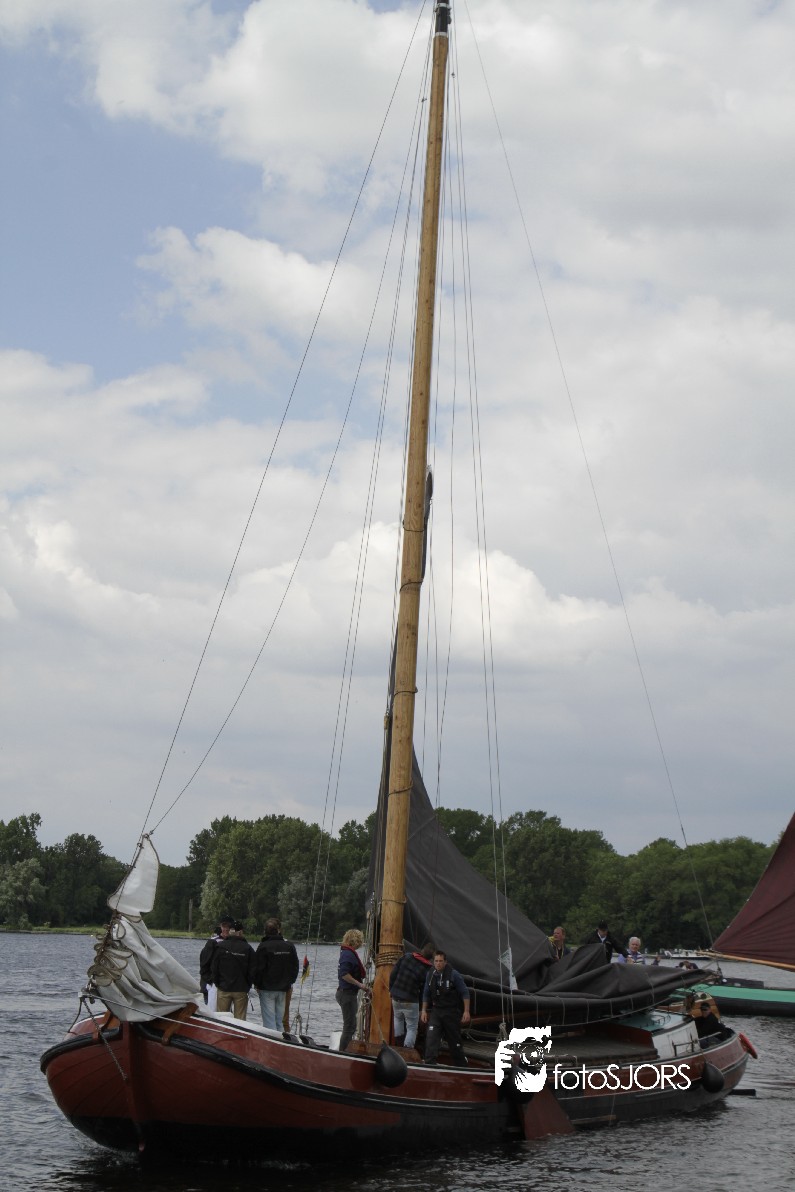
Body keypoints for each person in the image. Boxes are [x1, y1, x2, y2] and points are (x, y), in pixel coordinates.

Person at [420, 950, 470, 1067]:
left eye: (440, 961)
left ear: (445, 962)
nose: (438, 963)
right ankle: (430, 1063)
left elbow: (465, 993)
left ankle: (461, 1065)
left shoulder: (454, 975)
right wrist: (423, 1011)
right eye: (436, 961)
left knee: (454, 1041)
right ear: (433, 962)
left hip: (451, 1012)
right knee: (431, 1037)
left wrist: (466, 1011)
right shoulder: (430, 975)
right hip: (437, 1011)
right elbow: (426, 993)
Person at [253, 917, 299, 1031]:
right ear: (278, 930)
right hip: (283, 988)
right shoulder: (289, 946)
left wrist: (257, 984)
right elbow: (295, 966)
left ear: (265, 931)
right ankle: (281, 1039)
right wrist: (290, 982)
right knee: (280, 1021)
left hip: (267, 989)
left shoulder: (263, 946)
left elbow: (258, 968)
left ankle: (271, 1041)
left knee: (269, 1022)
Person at [389, 941, 434, 1048]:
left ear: (422, 950)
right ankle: (407, 1051)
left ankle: (399, 1045)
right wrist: (422, 1008)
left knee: (398, 1019)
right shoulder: (428, 970)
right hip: (411, 1000)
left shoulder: (407, 957)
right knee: (412, 1028)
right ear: (431, 958)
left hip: (396, 996)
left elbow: (393, 974)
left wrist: (391, 990)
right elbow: (424, 991)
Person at [210, 919, 254, 1019]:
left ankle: (223, 1029)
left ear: (230, 931)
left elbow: (214, 967)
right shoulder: (247, 948)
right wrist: (248, 985)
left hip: (223, 988)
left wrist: (217, 983)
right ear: (241, 932)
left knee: (222, 1018)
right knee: (240, 1020)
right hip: (241, 989)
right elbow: (253, 969)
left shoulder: (220, 946)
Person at [336, 928, 368, 1051]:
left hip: (347, 993)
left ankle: (344, 1050)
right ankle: (343, 1052)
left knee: (351, 1026)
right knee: (349, 1027)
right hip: (346, 994)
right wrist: (360, 985)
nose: (361, 943)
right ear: (356, 941)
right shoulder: (348, 954)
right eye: (360, 940)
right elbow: (344, 974)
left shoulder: (347, 953)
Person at [199, 917, 233, 1010]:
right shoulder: (213, 942)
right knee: (211, 1010)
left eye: (229, 927)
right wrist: (210, 980)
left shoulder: (234, 942)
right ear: (220, 927)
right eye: (224, 927)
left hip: (227, 985)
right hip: (211, 983)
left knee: (226, 1011)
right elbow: (204, 963)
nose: (226, 929)